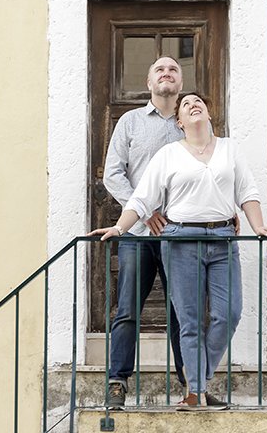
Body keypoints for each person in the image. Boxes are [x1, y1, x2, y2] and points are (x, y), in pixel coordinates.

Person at [92, 92, 267, 411]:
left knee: (228, 314)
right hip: (179, 239)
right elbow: (142, 198)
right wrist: (120, 228)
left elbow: (247, 191)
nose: (193, 105)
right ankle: (196, 391)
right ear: (180, 121)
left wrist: (259, 226)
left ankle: (198, 380)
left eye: (199, 103)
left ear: (208, 114)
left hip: (222, 237)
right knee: (190, 320)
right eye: (186, 105)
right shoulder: (168, 154)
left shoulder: (229, 149)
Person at [100, 55, 187, 410]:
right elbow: (112, 174)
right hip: (137, 233)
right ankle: (117, 382)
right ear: (150, 82)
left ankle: (191, 385)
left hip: (182, 235)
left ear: (180, 83)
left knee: (184, 311)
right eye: (159, 70)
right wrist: (146, 210)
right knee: (128, 310)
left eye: (173, 70)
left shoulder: (190, 124)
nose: (166, 74)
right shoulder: (130, 122)